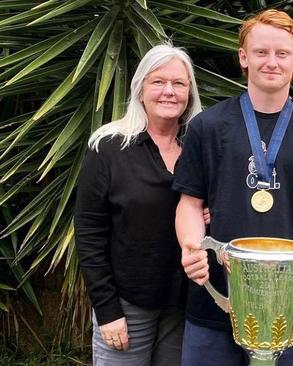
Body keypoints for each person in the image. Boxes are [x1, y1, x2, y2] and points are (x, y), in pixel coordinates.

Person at [172, 9, 293, 366]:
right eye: (260, 52)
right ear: (243, 57)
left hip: (287, 304)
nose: (271, 62)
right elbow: (190, 203)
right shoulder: (206, 127)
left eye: (282, 53)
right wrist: (191, 249)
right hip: (214, 296)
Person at [74, 43, 202, 365]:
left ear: (190, 92)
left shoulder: (202, 146)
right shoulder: (108, 148)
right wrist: (107, 310)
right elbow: (89, 233)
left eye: (179, 83)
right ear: (140, 89)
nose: (169, 91)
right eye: (158, 82)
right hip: (127, 306)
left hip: (184, 305)